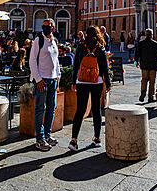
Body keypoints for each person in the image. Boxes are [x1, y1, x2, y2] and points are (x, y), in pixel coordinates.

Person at [68, 26, 112, 151]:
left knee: (80, 110)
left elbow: (75, 65)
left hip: (81, 81)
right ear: (98, 34)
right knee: (96, 110)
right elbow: (105, 68)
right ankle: (97, 138)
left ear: (86, 34)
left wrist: (73, 82)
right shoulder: (100, 48)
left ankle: (74, 140)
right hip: (96, 81)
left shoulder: (81, 46)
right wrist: (108, 84)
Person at [29, 19, 61, 151]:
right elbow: (31, 60)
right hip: (42, 80)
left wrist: (58, 76)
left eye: (48, 26)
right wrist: (38, 79)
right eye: (44, 26)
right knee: (40, 109)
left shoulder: (54, 41)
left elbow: (56, 60)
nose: (46, 28)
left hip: (53, 79)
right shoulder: (38, 40)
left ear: (53, 28)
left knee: (51, 108)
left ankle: (48, 134)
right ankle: (40, 138)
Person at [136, 28, 157, 103]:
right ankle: (150, 96)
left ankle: (143, 91)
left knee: (144, 79)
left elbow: (137, 53)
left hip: (144, 65)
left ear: (145, 35)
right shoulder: (155, 44)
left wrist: (136, 62)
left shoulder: (141, 43)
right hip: (153, 66)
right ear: (151, 35)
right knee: (152, 81)